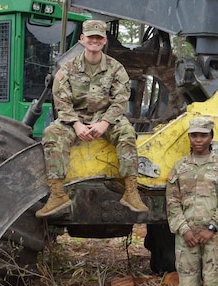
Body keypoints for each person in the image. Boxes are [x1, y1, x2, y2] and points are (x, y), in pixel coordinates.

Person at [37, 19, 148, 217]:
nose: (94, 41)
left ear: (104, 40)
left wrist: (104, 123)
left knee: (127, 132)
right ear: (83, 39)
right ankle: (57, 195)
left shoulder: (116, 69)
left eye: (98, 37)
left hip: (106, 118)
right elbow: (61, 100)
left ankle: (131, 191)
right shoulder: (68, 69)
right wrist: (77, 125)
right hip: (75, 118)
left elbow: (120, 100)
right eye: (91, 37)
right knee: (52, 133)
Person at [166, 117, 218, 286]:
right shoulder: (180, 167)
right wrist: (184, 230)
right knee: (187, 285)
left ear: (211, 137)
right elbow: (172, 202)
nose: (198, 140)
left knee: (214, 283)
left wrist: (212, 228)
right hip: (186, 237)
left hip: (214, 237)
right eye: (194, 135)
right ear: (189, 137)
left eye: (203, 135)